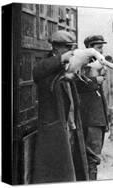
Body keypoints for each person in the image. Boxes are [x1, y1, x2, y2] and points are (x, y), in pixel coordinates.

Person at [32, 30, 89, 183]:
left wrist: (69, 77)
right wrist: (61, 66)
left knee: (69, 170)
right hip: (54, 130)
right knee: (56, 174)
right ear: (57, 49)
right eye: (68, 49)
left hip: (70, 127)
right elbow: (37, 73)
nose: (72, 52)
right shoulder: (48, 64)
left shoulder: (65, 65)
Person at [75, 35, 109, 180]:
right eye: (99, 47)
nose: (101, 50)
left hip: (97, 118)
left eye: (102, 47)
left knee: (93, 157)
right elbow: (77, 83)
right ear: (90, 48)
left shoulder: (98, 64)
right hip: (90, 119)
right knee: (92, 158)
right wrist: (97, 80)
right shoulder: (83, 64)